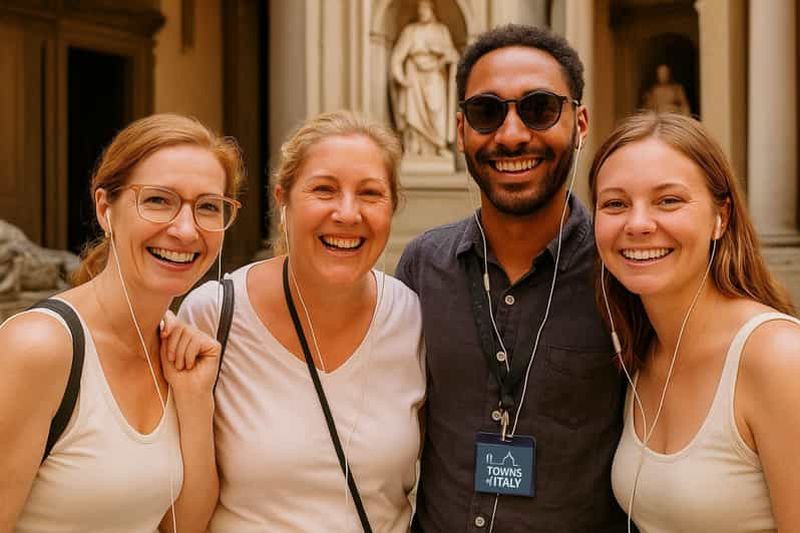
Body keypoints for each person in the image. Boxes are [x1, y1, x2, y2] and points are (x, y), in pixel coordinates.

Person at [396, 24, 627, 532]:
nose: (512, 134)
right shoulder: (423, 267)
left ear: (580, 123)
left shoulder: (621, 274)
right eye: (487, 112)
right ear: (461, 130)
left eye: (539, 108)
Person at [179, 110, 425, 532]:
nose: (347, 213)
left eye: (370, 194)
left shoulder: (412, 317)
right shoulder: (214, 314)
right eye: (324, 190)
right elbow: (180, 515)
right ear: (283, 199)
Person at [0, 113, 244, 532]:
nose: (186, 230)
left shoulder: (173, 350)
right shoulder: (38, 348)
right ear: (105, 209)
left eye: (207, 207)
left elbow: (183, 525)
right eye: (158, 200)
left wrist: (194, 401)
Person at [590, 112, 800, 532]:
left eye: (668, 200)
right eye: (615, 203)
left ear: (721, 217)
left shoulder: (778, 358)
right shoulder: (642, 350)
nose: (638, 224)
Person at [390, 0, 459, 157]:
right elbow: (397, 56)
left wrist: (446, 58)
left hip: (435, 74)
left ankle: (439, 145)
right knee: (413, 111)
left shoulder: (441, 30)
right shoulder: (410, 31)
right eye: (420, 9)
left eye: (425, 8)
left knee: (437, 110)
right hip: (413, 73)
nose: (422, 11)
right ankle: (413, 146)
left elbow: (452, 53)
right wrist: (400, 76)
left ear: (432, 10)